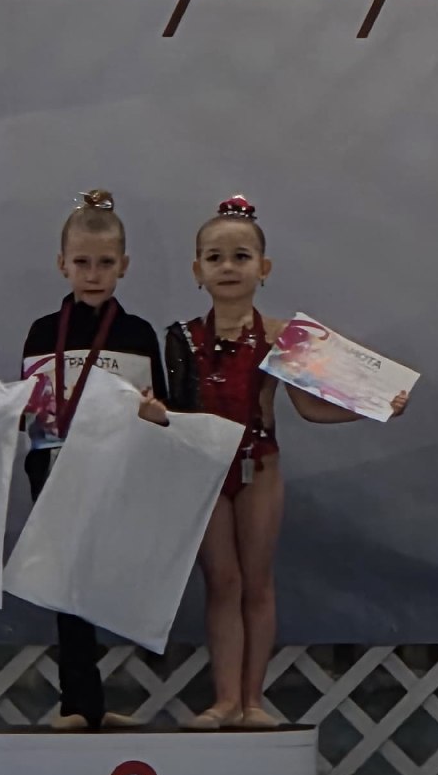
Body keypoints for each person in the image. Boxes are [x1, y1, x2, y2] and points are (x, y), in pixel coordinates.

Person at [166, 196, 407, 729]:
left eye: (241, 256)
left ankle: (253, 700)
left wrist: (376, 407)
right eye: (215, 257)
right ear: (197, 270)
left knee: (257, 581)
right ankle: (225, 699)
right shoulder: (181, 338)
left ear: (264, 268)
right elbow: (175, 411)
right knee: (222, 581)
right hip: (205, 470)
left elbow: (310, 408)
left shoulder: (282, 337)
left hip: (260, 468)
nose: (228, 267)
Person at [0, 188, 169, 732]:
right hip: (53, 467)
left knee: (103, 579)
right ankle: (79, 703)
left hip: (118, 470)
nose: (93, 274)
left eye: (105, 263)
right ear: (62, 265)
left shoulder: (139, 334)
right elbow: (28, 406)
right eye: (82, 263)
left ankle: (91, 700)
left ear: (124, 265)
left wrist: (154, 414)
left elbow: (166, 410)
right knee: (67, 581)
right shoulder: (42, 331)